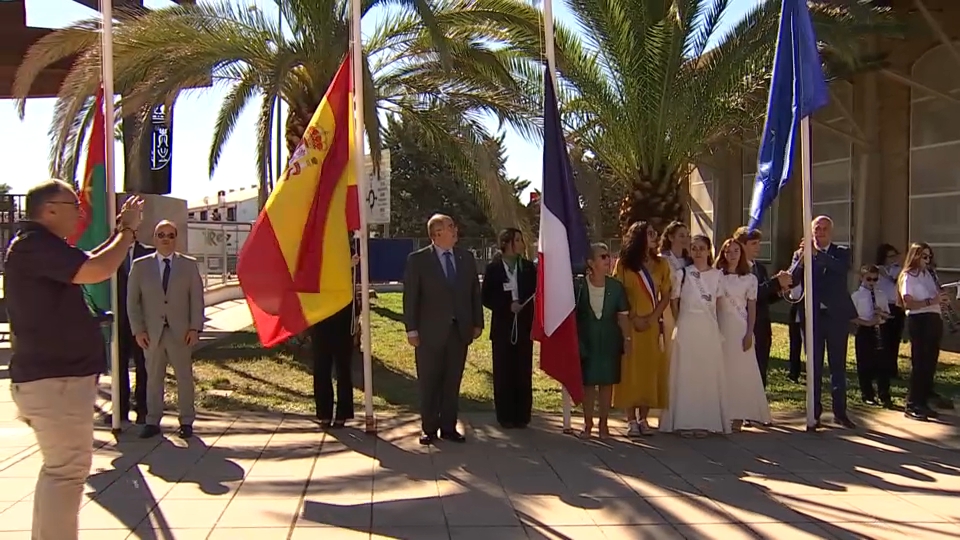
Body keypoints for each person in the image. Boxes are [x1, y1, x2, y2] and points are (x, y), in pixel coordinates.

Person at [4, 179, 143, 540]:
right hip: (55, 381)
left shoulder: (40, 247)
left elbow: (88, 263)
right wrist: (127, 231)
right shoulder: (34, 245)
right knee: (66, 472)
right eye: (73, 208)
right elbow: (95, 270)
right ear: (49, 210)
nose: (80, 215)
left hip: (57, 380)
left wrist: (119, 234)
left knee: (60, 471)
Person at [402, 214, 483, 445]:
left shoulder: (465, 258)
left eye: (453, 226)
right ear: (437, 234)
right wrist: (412, 330)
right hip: (429, 333)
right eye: (449, 227)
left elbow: (474, 293)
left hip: (459, 332)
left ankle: (448, 427)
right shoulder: (418, 260)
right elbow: (411, 298)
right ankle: (429, 428)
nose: (455, 229)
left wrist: (477, 323)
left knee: (452, 381)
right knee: (429, 381)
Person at [127, 220, 205, 439]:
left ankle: (187, 421)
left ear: (176, 239)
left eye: (170, 235)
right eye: (161, 235)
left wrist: (194, 328)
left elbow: (196, 300)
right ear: (154, 238)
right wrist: (138, 330)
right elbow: (132, 302)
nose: (166, 239)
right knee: (153, 378)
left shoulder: (188, 265)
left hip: (180, 333)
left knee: (184, 378)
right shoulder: (141, 266)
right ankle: (152, 421)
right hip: (151, 334)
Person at [789, 216, 857, 430]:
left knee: (837, 366)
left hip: (836, 317)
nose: (821, 232)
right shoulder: (802, 254)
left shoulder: (842, 252)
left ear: (831, 232)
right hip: (813, 317)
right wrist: (803, 257)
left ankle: (840, 412)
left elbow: (840, 269)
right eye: (817, 229)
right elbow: (793, 278)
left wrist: (817, 255)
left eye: (825, 229)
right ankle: (814, 413)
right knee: (814, 366)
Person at [659, 234, 728, 437]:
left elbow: (720, 305)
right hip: (687, 326)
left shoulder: (717, 275)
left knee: (705, 374)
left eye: (702, 248)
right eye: (694, 248)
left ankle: (705, 421)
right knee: (686, 374)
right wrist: (679, 321)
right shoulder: (684, 274)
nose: (698, 252)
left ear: (709, 251)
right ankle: (685, 422)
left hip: (708, 328)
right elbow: (674, 300)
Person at [613, 222, 672, 437]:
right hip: (629, 323)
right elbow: (617, 293)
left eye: (654, 233)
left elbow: (666, 294)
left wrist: (653, 318)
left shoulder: (661, 265)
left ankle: (644, 418)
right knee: (630, 369)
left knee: (649, 368)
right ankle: (630, 420)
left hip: (651, 325)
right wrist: (634, 317)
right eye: (649, 233)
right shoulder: (624, 265)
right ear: (638, 237)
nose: (655, 236)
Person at [481, 228, 537, 429]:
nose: (522, 244)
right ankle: (504, 415)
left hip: (523, 326)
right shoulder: (494, 268)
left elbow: (536, 292)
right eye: (518, 240)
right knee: (503, 370)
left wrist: (524, 306)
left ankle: (522, 415)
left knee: (522, 369)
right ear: (507, 243)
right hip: (503, 327)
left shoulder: (529, 268)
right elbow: (486, 296)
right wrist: (506, 306)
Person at [574, 243, 630, 439]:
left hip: (609, 340)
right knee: (588, 384)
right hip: (586, 340)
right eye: (603, 257)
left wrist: (627, 338)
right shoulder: (579, 286)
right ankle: (587, 424)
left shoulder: (616, 287)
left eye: (608, 256)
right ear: (591, 262)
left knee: (607, 383)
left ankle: (604, 425)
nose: (608, 260)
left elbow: (623, 316)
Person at [715, 238, 771, 429]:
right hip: (721, 327)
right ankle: (722, 412)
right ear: (723, 254)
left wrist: (749, 332)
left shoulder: (750, 279)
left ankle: (739, 414)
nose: (732, 255)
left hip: (740, 329)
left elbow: (752, 308)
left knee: (741, 371)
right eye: (728, 251)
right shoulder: (716, 276)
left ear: (741, 254)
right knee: (722, 370)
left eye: (736, 251)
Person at [732, 227, 792, 387]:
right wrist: (775, 283)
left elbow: (763, 297)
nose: (758, 247)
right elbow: (751, 295)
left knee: (761, 369)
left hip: (762, 326)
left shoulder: (760, 268)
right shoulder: (734, 269)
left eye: (759, 243)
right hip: (743, 325)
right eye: (754, 243)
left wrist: (779, 291)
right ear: (742, 245)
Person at [897, 243, 949, 421]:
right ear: (915, 257)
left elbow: (936, 298)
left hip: (934, 319)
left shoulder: (929, 274)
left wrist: (941, 300)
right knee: (920, 363)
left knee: (930, 363)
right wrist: (931, 301)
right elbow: (908, 302)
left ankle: (923, 401)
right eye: (924, 257)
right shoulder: (909, 276)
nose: (927, 261)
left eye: (929, 257)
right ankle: (912, 404)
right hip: (919, 320)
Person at [310, 251, 361, 429]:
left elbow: (354, 298)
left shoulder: (344, 255)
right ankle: (324, 413)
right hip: (321, 321)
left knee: (343, 370)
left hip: (342, 321)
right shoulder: (316, 262)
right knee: (321, 369)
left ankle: (342, 414)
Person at [113, 236, 155, 425]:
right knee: (118, 365)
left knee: (143, 365)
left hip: (143, 320)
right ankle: (120, 410)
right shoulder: (110, 254)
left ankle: (143, 409)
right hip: (118, 320)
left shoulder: (149, 254)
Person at [851, 264, 893, 409]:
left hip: (880, 329)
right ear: (862, 278)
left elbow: (888, 315)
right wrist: (868, 323)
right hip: (864, 330)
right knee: (864, 363)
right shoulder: (856, 296)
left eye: (875, 279)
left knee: (883, 364)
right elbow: (851, 317)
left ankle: (884, 395)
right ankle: (867, 394)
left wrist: (882, 314)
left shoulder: (881, 294)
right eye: (869, 279)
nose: (872, 282)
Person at [658, 221, 690, 367]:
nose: (685, 239)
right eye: (681, 235)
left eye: (687, 235)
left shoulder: (689, 261)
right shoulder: (662, 259)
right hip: (666, 308)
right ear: (671, 237)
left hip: (686, 305)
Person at [875, 243, 904, 379]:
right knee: (883, 339)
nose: (893, 259)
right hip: (883, 307)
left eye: (895, 255)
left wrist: (887, 273)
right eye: (890, 256)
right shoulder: (877, 270)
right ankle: (882, 369)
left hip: (897, 306)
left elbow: (896, 281)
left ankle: (893, 369)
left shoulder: (899, 270)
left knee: (894, 338)